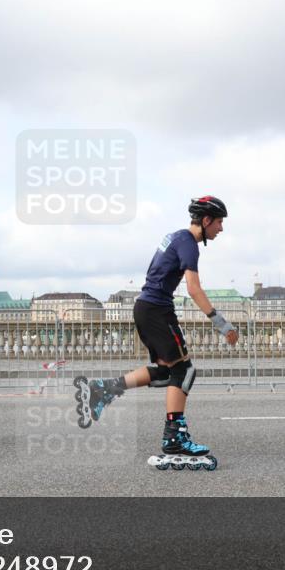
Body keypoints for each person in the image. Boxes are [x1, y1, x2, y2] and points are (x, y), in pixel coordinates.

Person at [74, 196, 239, 465]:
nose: (221, 228)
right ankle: (174, 437)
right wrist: (221, 324)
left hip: (147, 307)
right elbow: (194, 289)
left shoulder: (174, 237)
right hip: (156, 310)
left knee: (166, 372)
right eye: (219, 222)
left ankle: (103, 390)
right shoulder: (189, 243)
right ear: (206, 220)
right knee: (185, 371)